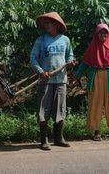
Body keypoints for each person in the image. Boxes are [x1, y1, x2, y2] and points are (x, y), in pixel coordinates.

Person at [30, 12, 76, 150]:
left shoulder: (65, 40)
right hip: (46, 80)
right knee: (43, 111)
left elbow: (70, 55)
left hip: (61, 80)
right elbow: (33, 58)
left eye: (49, 23)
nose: (46, 25)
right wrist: (40, 71)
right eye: (45, 23)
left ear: (56, 24)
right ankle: (44, 140)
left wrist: (70, 62)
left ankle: (58, 138)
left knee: (59, 110)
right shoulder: (41, 40)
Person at [76, 23, 109, 141]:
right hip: (96, 76)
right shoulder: (92, 47)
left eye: (105, 33)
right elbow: (85, 63)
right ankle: (96, 131)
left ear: (108, 34)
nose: (103, 35)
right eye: (101, 33)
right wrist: (77, 75)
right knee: (95, 104)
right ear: (97, 34)